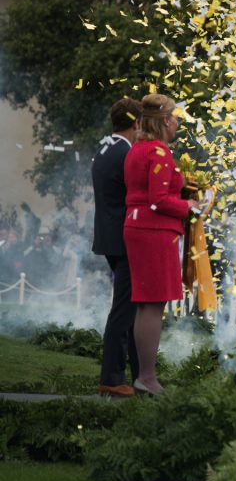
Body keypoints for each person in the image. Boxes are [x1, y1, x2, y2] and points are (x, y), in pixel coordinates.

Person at [123, 94, 198, 395]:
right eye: (176, 117)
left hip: (138, 226)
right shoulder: (159, 152)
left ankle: (144, 374)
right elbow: (158, 200)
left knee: (147, 305)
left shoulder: (137, 149)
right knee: (153, 305)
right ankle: (147, 376)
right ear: (166, 121)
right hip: (154, 231)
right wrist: (189, 205)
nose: (178, 122)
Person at [92, 98, 143, 398]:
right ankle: (112, 377)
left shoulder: (105, 147)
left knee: (131, 308)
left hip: (110, 237)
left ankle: (140, 374)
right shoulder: (126, 152)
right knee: (124, 310)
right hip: (125, 239)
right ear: (136, 122)